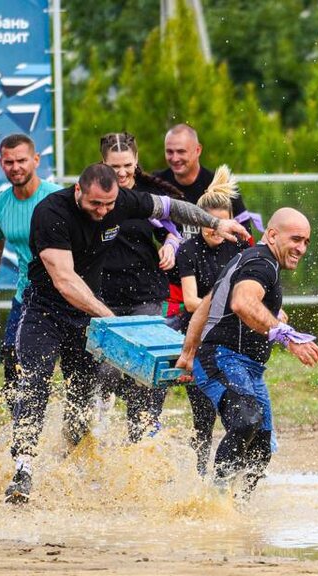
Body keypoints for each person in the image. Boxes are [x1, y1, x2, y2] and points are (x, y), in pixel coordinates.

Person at [4, 163, 249, 504]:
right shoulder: (51, 213)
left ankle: (69, 465)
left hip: (85, 316)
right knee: (35, 382)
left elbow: (172, 207)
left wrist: (216, 222)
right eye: (95, 205)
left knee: (82, 395)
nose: (103, 211)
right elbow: (65, 280)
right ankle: (23, 468)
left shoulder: (122, 201)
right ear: (79, 191)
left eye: (108, 205)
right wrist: (112, 319)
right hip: (44, 311)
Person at [175, 208, 318, 499]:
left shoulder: (248, 258)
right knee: (246, 420)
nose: (301, 248)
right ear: (271, 234)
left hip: (246, 367)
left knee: (261, 448)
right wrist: (288, 337)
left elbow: (206, 304)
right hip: (222, 358)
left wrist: (188, 352)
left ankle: (240, 509)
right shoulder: (262, 264)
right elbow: (243, 303)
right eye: (295, 239)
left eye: (306, 241)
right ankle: (215, 504)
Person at [97, 132, 184, 442]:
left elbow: (175, 232)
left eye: (127, 166)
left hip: (146, 293)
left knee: (148, 364)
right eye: (114, 166)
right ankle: (100, 420)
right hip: (104, 295)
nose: (121, 173)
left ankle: (143, 429)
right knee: (107, 370)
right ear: (102, 164)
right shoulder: (95, 194)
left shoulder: (148, 197)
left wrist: (170, 247)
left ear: (136, 162)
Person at [0, 134, 60, 413]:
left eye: (22, 160)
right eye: (9, 162)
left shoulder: (58, 198)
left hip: (67, 297)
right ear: (1, 163)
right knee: (13, 362)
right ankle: (22, 429)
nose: (16, 167)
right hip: (28, 296)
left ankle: (81, 428)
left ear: (35, 160)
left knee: (78, 371)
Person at [177, 165, 251, 473]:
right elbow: (191, 301)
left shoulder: (240, 249)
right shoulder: (187, 251)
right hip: (199, 337)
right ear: (199, 221)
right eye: (210, 223)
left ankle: (238, 467)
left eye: (222, 222)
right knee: (203, 413)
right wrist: (228, 305)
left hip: (233, 338)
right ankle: (199, 471)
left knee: (243, 408)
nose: (215, 228)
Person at [154, 123, 256, 326]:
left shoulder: (219, 189)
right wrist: (169, 240)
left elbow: (245, 240)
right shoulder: (157, 183)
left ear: (198, 150)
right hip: (175, 286)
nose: (175, 158)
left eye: (181, 151)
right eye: (169, 152)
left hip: (217, 280)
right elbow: (146, 227)